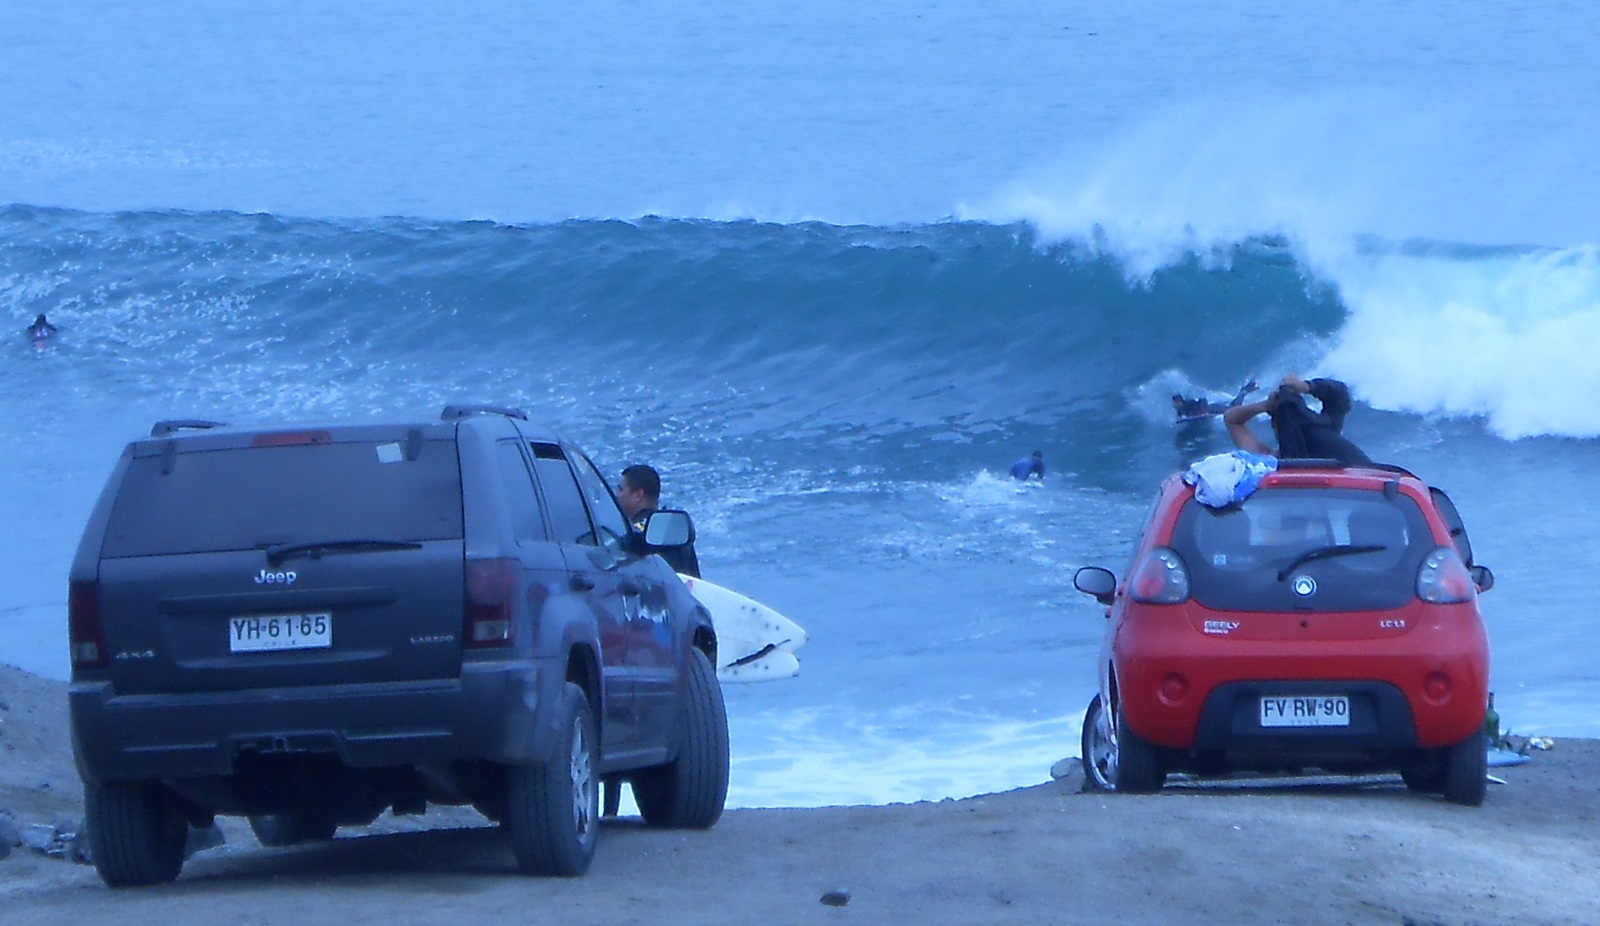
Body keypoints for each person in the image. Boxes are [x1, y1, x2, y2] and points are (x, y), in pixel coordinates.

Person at [1223, 373, 1371, 465]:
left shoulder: (1268, 463)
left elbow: (1231, 420)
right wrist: (1306, 386)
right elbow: (1339, 395)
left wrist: (1266, 406)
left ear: (1276, 428)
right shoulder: (1330, 434)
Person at [616, 463, 701, 577]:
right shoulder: (672, 528)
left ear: (638, 495)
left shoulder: (637, 534)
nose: (617, 495)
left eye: (621, 489)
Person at [1172, 380, 1258, 421]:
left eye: (1175, 402)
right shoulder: (1180, 409)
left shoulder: (1189, 403)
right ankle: (1244, 390)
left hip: (1213, 408)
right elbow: (1180, 415)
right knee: (1232, 406)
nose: (1174, 404)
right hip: (1211, 409)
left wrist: (1204, 412)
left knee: (1234, 407)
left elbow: (1203, 400)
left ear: (1180, 401)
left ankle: (1244, 390)